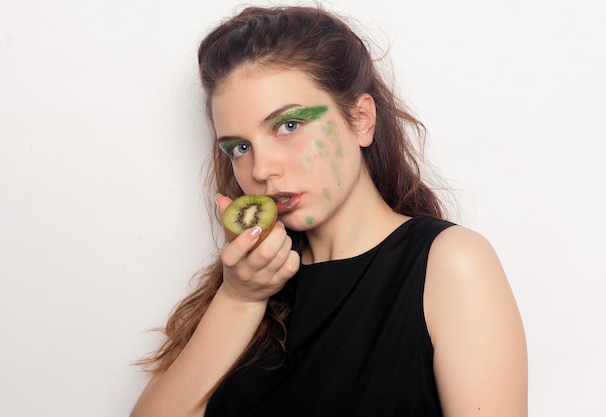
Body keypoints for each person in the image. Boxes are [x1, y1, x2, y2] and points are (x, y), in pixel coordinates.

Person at [130, 5, 528, 417]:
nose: (262, 169)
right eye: (240, 147)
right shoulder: (248, 284)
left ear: (360, 119)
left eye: (288, 125)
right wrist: (239, 299)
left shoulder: (450, 263)